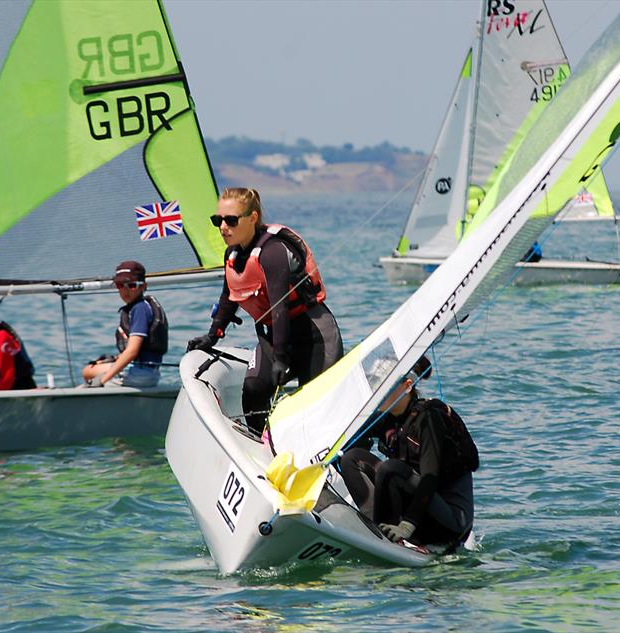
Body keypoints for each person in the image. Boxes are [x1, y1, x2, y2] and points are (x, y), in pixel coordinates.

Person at [187, 187, 343, 434]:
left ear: (252, 218)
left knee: (316, 407)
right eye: (218, 220)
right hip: (275, 337)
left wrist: (281, 358)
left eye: (231, 220)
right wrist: (212, 335)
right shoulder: (233, 253)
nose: (223, 227)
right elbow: (229, 296)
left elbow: (279, 307)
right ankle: (264, 450)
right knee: (254, 390)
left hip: (313, 336)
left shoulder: (272, 252)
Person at [339, 357, 477, 548]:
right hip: (418, 510)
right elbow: (348, 439)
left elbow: (429, 479)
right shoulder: (387, 418)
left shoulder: (428, 419)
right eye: (376, 385)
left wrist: (407, 525)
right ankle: (378, 531)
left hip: (448, 524)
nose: (378, 391)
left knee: (391, 469)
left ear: (407, 386)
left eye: (384, 385)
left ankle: (395, 538)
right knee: (350, 458)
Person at [82, 260, 168, 388]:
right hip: (146, 373)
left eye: (132, 285)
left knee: (89, 371)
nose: (126, 290)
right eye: (120, 285)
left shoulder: (140, 309)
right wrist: (116, 359)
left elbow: (132, 351)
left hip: (140, 375)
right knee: (91, 369)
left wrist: (102, 380)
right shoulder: (138, 308)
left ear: (143, 286)